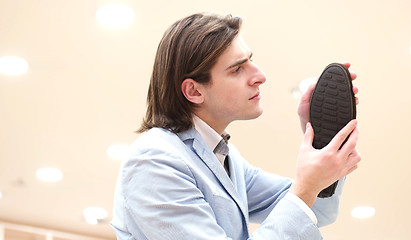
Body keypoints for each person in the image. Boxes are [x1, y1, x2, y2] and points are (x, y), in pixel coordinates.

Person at [111, 12, 361, 240]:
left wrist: (321, 139)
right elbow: (303, 196)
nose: (260, 75)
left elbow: (317, 209)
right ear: (194, 91)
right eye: (237, 69)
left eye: (250, 61)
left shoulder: (227, 160)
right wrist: (306, 188)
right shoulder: (154, 161)